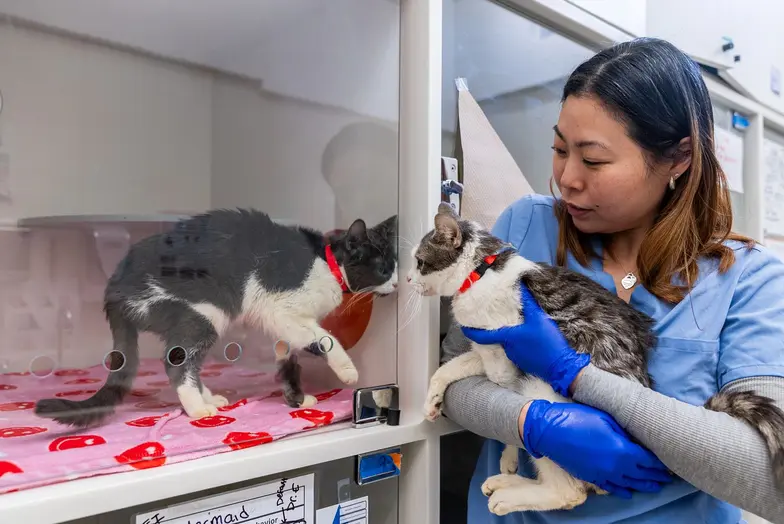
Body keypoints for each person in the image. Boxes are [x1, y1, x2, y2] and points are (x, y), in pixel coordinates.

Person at [440, 37, 784, 523]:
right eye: (559, 149)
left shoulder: (749, 280)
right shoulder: (526, 228)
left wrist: (580, 379)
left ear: (679, 158)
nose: (567, 178)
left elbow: (769, 477)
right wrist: (532, 422)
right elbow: (452, 381)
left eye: (594, 160)